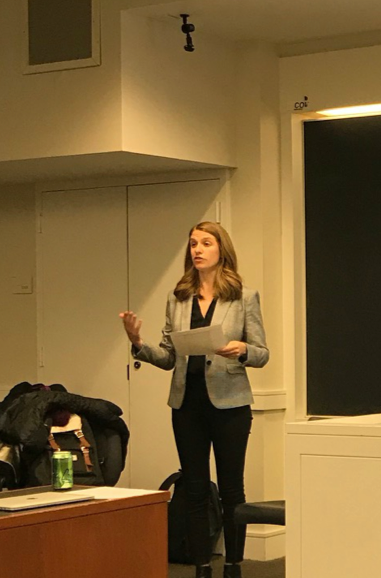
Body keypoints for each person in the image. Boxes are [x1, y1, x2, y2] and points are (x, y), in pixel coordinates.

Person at [119, 221, 269, 578]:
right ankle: (202, 566)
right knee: (196, 487)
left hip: (231, 404)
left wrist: (243, 349)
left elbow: (263, 353)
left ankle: (233, 565)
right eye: (192, 245)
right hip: (188, 404)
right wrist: (137, 343)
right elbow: (170, 356)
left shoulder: (243, 297)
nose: (197, 250)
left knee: (232, 488)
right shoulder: (178, 298)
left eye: (205, 243)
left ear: (221, 250)